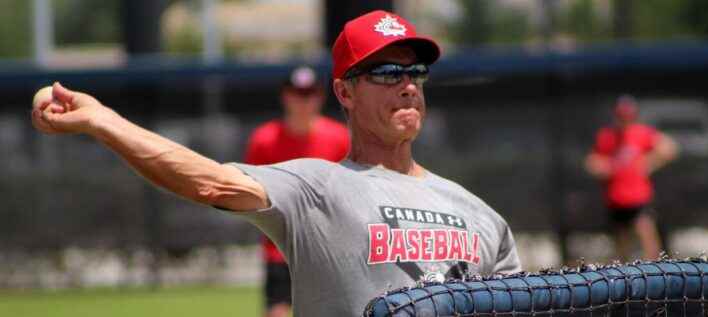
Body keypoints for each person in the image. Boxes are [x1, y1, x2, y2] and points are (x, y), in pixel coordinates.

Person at [30, 10, 520, 316]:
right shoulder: (316, 187)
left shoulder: (482, 215)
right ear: (344, 92)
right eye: (388, 72)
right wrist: (104, 121)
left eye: (415, 71)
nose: (408, 84)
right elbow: (210, 184)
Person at [244, 65, 350, 317]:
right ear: (285, 96)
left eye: (309, 93)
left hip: (327, 246)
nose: (303, 100)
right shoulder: (264, 139)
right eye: (297, 93)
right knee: (278, 311)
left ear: (320, 97)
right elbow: (251, 191)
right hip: (280, 244)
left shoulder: (340, 138)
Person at [584, 95, 679, 262]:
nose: (624, 120)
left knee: (646, 235)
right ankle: (625, 280)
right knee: (622, 246)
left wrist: (649, 163)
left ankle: (653, 274)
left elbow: (669, 148)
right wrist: (606, 167)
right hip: (616, 198)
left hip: (638, 197)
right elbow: (592, 162)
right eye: (621, 116)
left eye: (628, 116)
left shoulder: (641, 133)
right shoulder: (607, 136)